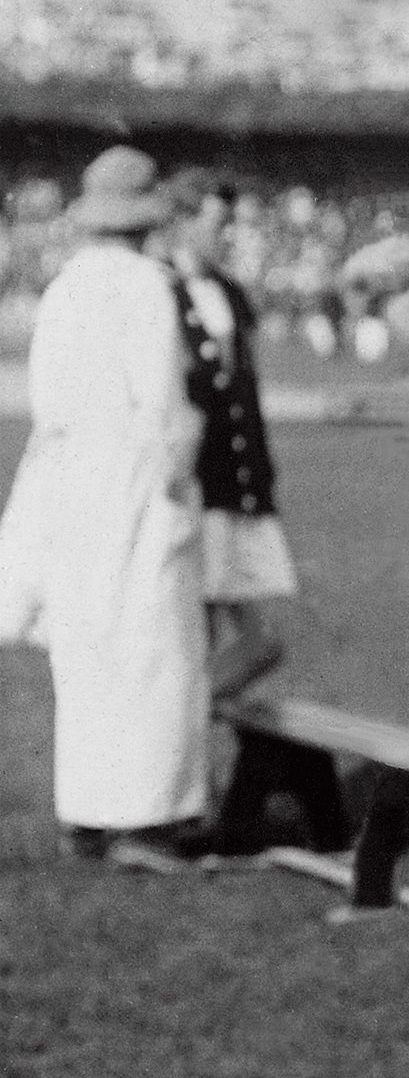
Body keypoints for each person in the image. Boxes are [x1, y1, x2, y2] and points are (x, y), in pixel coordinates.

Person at [0, 145, 209, 861]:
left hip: (69, 479)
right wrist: (178, 481)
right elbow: (161, 402)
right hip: (131, 477)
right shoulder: (149, 286)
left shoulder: (64, 287)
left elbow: (48, 401)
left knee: (87, 649)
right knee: (152, 649)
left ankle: (87, 810)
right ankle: (144, 817)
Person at [163, 169, 296, 697]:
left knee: (259, 640)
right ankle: (186, 746)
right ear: (182, 221)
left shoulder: (229, 292)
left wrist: (259, 479)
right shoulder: (162, 290)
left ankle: (189, 726)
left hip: (236, 485)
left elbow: (247, 393)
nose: (226, 236)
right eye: (216, 223)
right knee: (198, 636)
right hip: (196, 484)